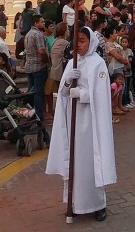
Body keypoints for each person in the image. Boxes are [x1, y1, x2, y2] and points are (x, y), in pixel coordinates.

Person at [46, 26, 115, 222]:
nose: (78, 44)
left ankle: (97, 204)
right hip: (73, 120)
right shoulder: (72, 63)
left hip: (89, 123)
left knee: (90, 162)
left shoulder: (98, 64)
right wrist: (68, 82)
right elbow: (63, 91)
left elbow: (102, 96)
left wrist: (83, 94)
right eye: (76, 41)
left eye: (82, 40)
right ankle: (74, 203)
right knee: (74, 162)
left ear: (91, 42)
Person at [22, 17, 49, 122]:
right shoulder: (38, 34)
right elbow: (42, 51)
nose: (43, 23)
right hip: (38, 66)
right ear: (36, 23)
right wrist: (47, 60)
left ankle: (31, 112)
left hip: (29, 66)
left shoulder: (28, 34)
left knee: (31, 91)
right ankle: (38, 115)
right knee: (38, 92)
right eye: (41, 22)